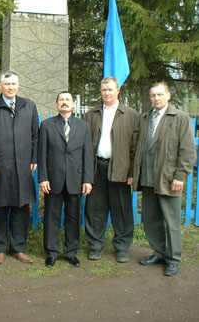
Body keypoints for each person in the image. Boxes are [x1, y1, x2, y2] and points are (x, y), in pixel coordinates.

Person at [133, 82, 196, 276]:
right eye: (153, 95)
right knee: (151, 219)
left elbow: (187, 151)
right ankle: (159, 252)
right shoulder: (145, 118)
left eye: (160, 94)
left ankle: (173, 258)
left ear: (168, 95)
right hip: (148, 178)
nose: (156, 98)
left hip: (168, 179)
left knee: (172, 221)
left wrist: (180, 176)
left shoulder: (180, 118)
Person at [0, 72, 39, 265]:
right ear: (0, 86)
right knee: (1, 208)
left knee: (22, 208)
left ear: (18, 86)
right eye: (7, 84)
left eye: (14, 84)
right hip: (0, 166)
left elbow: (35, 136)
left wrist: (34, 158)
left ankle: (18, 248)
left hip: (23, 166)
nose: (11, 87)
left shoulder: (29, 106)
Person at [84, 77, 139, 262]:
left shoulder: (131, 115)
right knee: (94, 209)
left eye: (110, 89)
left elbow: (135, 148)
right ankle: (95, 246)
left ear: (118, 91)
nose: (106, 93)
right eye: (103, 89)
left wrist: (132, 173)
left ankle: (122, 247)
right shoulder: (91, 114)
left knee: (121, 211)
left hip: (120, 170)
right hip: (96, 167)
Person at [38, 92, 93, 268]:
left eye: (67, 100)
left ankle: (71, 252)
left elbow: (88, 155)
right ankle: (52, 252)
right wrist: (43, 178)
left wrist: (87, 179)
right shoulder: (47, 125)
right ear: (56, 104)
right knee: (51, 217)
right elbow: (42, 154)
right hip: (53, 179)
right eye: (61, 100)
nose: (64, 103)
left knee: (73, 217)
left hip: (76, 180)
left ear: (73, 105)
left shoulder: (84, 126)